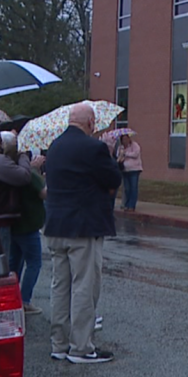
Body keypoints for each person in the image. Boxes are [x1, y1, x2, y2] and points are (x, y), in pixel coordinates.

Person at [44, 103, 121, 364]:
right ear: (90, 122)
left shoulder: (54, 147)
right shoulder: (95, 148)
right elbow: (113, 180)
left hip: (56, 224)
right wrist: (110, 151)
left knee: (60, 286)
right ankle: (81, 347)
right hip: (83, 226)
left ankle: (59, 343)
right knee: (84, 287)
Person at [10, 152, 47, 315]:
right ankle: (25, 300)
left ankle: (11, 297)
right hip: (29, 226)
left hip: (14, 223)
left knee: (14, 264)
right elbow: (44, 193)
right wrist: (37, 172)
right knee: (34, 263)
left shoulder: (11, 173)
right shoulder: (30, 174)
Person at [0, 131, 33, 266]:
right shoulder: (2, 162)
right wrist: (23, 156)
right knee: (3, 262)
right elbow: (24, 177)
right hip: (2, 218)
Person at [117, 134, 143, 212]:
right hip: (125, 170)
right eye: (123, 139)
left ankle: (132, 205)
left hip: (134, 169)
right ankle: (126, 204)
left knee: (133, 188)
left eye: (126, 138)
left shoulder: (134, 145)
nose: (125, 140)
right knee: (127, 188)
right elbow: (118, 155)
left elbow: (135, 154)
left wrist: (125, 154)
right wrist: (120, 155)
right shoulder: (120, 147)